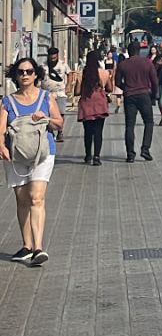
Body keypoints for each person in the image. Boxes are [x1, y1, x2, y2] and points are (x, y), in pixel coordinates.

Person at [0, 55, 63, 264]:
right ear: (15, 76)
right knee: (22, 200)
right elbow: (0, 129)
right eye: (21, 72)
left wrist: (45, 118)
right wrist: (2, 147)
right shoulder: (7, 101)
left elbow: (59, 123)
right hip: (16, 154)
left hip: (42, 153)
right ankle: (26, 246)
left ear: (36, 75)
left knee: (36, 197)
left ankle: (38, 248)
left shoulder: (46, 97)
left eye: (29, 71)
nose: (25, 75)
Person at [116, 40, 160, 163]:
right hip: (144, 94)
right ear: (139, 51)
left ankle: (130, 154)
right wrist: (153, 95)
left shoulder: (123, 64)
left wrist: (126, 88)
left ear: (128, 52)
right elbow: (155, 81)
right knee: (149, 122)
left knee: (130, 125)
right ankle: (145, 149)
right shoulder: (147, 62)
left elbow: (117, 82)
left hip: (129, 96)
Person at [77, 48, 111, 165]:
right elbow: (110, 88)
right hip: (100, 104)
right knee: (98, 132)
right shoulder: (104, 73)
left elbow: (77, 92)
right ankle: (96, 157)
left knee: (88, 131)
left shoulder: (82, 73)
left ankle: (88, 155)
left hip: (86, 103)